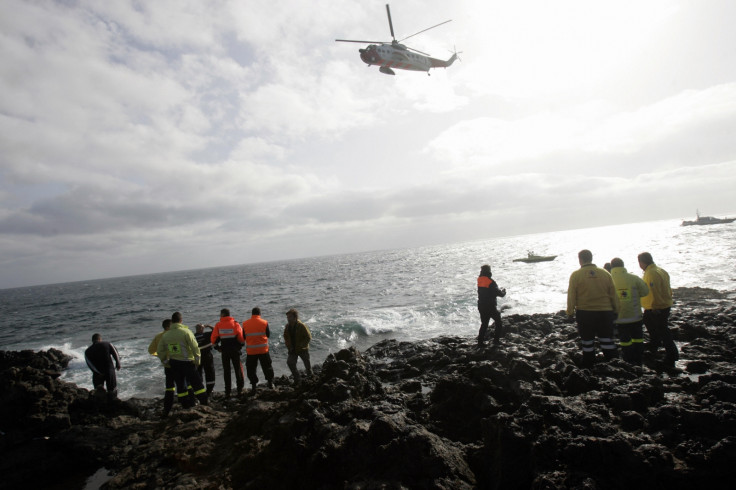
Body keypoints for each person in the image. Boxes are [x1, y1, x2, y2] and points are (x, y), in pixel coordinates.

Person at [566, 250, 620, 368]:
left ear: (580, 259)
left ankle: (589, 364)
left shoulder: (576, 275)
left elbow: (571, 295)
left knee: (587, 341)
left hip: (585, 313)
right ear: (591, 258)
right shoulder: (605, 273)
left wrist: (570, 312)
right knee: (607, 339)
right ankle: (614, 363)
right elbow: (613, 294)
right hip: (605, 312)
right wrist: (616, 309)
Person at [157, 312, 208, 407]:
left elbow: (160, 351)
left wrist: (166, 363)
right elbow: (195, 348)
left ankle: (185, 406)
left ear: (172, 322)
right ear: (181, 320)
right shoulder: (186, 332)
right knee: (198, 385)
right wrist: (197, 361)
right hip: (187, 363)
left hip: (174, 363)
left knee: (181, 387)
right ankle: (205, 403)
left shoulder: (166, 335)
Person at [638, 252, 678, 368]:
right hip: (664, 304)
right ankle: (654, 345)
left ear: (641, 262)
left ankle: (672, 354)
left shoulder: (651, 273)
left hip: (656, 307)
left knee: (663, 330)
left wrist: (654, 307)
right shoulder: (660, 270)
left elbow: (653, 291)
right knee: (649, 323)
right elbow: (668, 287)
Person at [610, 257, 649, 366]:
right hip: (635, 316)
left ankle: (628, 358)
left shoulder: (609, 279)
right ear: (623, 266)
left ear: (612, 267)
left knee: (624, 340)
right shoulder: (633, 278)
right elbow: (645, 292)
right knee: (638, 338)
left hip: (619, 317)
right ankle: (639, 358)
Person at [211, 308, 245, 397]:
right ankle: (239, 390)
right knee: (237, 369)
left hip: (224, 351)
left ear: (222, 315)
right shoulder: (235, 324)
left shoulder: (218, 325)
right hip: (235, 350)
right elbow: (241, 339)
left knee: (226, 371)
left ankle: (228, 392)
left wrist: (217, 348)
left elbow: (213, 340)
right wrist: (240, 346)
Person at [242, 307, 275, 394]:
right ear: (259, 314)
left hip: (251, 351)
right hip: (263, 350)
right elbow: (268, 335)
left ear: (252, 314)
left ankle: (253, 386)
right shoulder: (264, 322)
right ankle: (270, 383)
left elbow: (244, 337)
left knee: (251, 369)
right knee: (267, 367)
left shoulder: (245, 324)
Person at [148, 319, 177, 416]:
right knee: (183, 384)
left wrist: (161, 357)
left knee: (169, 387)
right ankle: (188, 404)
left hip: (167, 364)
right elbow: (175, 349)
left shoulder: (158, 336)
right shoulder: (171, 335)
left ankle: (167, 409)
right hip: (176, 362)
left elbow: (151, 350)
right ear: (168, 327)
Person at [85, 333, 121, 401]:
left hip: (98, 374)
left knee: (99, 391)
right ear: (100, 339)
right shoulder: (106, 344)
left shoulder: (87, 351)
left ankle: (101, 405)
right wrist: (118, 363)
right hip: (109, 370)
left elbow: (89, 364)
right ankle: (113, 403)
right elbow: (115, 353)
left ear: (92, 340)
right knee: (112, 390)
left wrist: (98, 373)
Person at [477, 264, 507, 345]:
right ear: (489, 271)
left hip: (481, 305)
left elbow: (488, 291)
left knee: (484, 324)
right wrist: (503, 291)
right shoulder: (491, 282)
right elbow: (499, 293)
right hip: (490, 306)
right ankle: (496, 341)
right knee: (498, 322)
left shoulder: (480, 280)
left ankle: (480, 342)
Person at [284, 308, 312, 384]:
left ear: (295, 317)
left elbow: (308, 337)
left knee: (307, 364)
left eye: (290, 317)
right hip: (292, 349)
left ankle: (311, 377)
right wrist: (288, 345)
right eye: (287, 317)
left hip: (302, 349)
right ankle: (297, 378)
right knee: (290, 363)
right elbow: (285, 336)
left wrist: (301, 345)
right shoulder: (287, 326)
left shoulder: (301, 326)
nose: (288, 319)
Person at [195, 323, 216, 395]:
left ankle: (200, 389)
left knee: (198, 373)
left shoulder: (193, 337)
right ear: (202, 329)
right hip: (207, 356)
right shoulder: (206, 335)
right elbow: (215, 330)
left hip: (197, 357)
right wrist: (209, 326)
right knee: (210, 372)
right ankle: (210, 390)